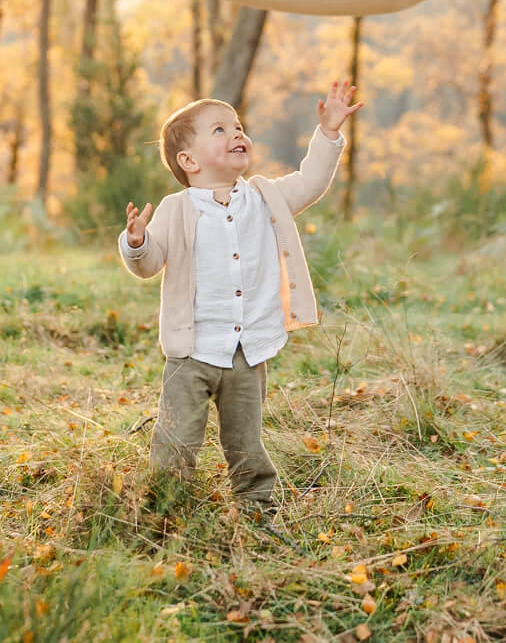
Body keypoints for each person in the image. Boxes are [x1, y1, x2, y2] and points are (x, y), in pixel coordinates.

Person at [119, 81, 362, 518]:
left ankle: (255, 509)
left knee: (246, 441)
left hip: (247, 352)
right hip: (191, 354)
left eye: (238, 126)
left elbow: (311, 181)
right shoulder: (176, 209)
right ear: (189, 161)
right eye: (220, 129)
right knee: (175, 440)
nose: (236, 133)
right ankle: (164, 509)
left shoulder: (265, 197)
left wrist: (328, 133)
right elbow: (149, 263)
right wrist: (137, 242)